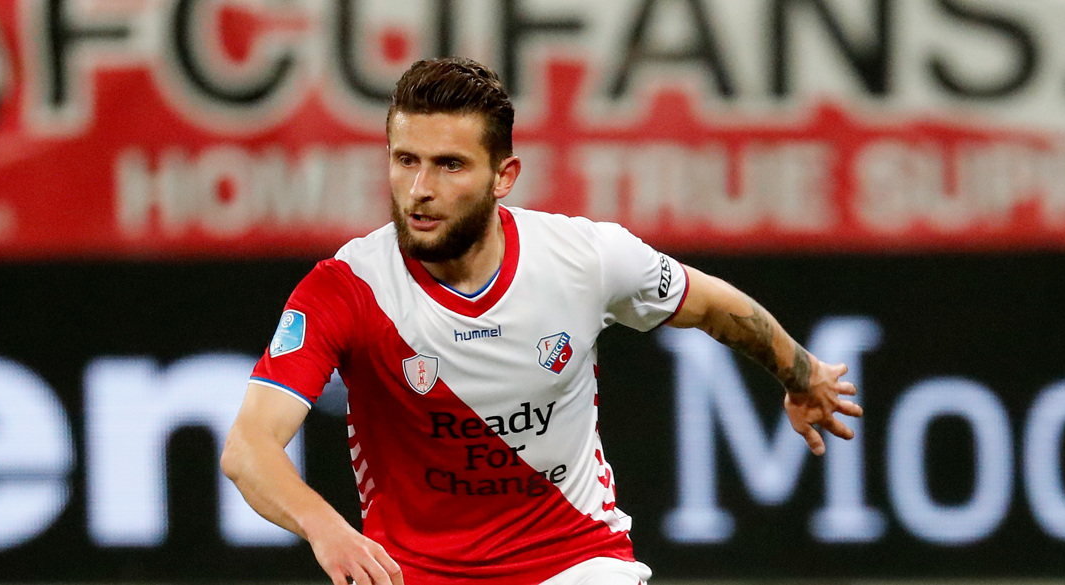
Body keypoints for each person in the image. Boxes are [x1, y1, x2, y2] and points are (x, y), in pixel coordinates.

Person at [221, 57, 862, 585]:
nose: (419, 189)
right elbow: (249, 447)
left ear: (504, 176)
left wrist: (801, 373)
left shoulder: (582, 257)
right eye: (405, 159)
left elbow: (712, 304)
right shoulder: (347, 287)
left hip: (574, 560)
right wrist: (327, 530)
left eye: (449, 165)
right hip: (413, 574)